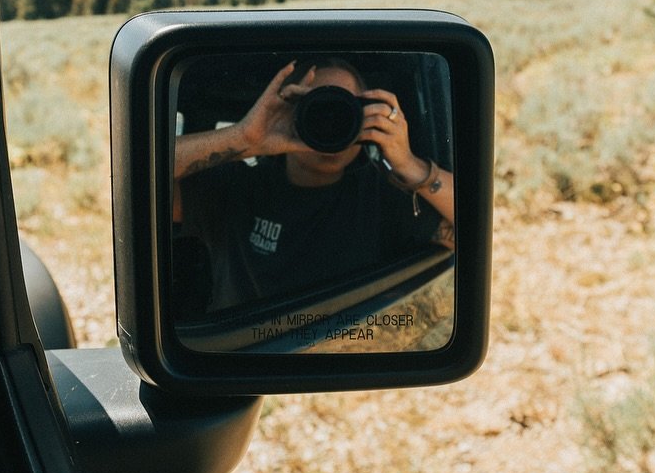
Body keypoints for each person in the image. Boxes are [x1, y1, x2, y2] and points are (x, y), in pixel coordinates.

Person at [173, 58, 455, 314]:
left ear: (367, 117)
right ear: (287, 112)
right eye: (316, 108)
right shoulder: (235, 187)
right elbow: (133, 181)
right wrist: (244, 138)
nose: (331, 121)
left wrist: (409, 164)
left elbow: (478, 233)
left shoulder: (381, 198)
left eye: (344, 110)